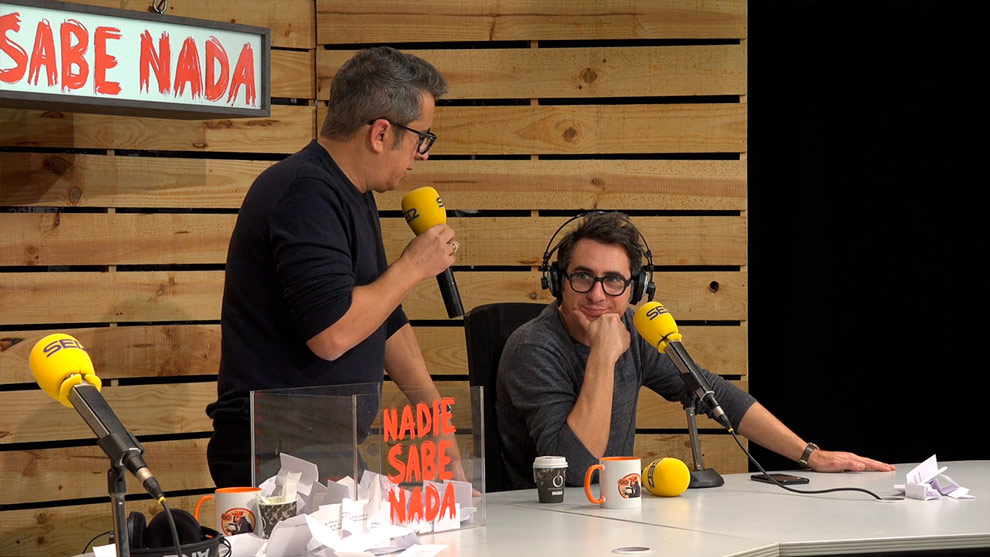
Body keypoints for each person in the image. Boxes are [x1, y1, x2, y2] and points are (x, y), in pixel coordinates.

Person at [206, 46, 460, 487]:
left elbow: (384, 318)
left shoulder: (353, 194)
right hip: (275, 451)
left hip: (323, 446)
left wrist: (435, 420)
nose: (422, 154)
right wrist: (414, 265)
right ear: (381, 134)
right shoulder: (305, 192)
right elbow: (332, 332)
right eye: (422, 137)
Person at [496, 212, 895, 489]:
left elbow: (712, 392)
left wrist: (810, 455)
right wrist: (602, 357)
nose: (598, 295)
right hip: (542, 525)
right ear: (558, 282)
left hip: (611, 514)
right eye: (583, 277)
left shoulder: (633, 331)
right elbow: (574, 472)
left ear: (636, 289)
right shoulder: (534, 348)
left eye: (614, 280)